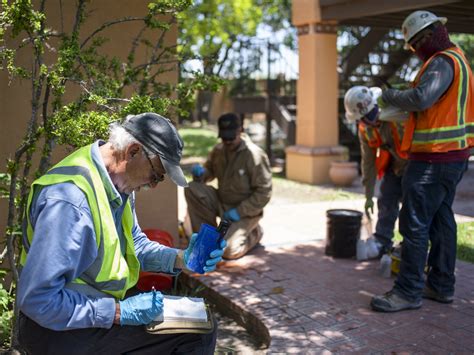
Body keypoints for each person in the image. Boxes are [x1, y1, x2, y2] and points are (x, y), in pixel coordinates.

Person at [17, 112, 226, 354]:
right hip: (55, 328)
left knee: (201, 322)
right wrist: (119, 312)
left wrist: (181, 258)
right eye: (156, 173)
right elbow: (38, 300)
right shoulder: (70, 202)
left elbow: (134, 244)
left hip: (88, 307)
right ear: (133, 152)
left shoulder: (115, 181)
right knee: (195, 337)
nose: (155, 184)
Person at [370, 10, 473, 312]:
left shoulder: (443, 61)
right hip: (450, 157)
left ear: (427, 37)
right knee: (441, 223)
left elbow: (422, 98)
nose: (415, 53)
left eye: (415, 46)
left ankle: (407, 292)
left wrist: (389, 96)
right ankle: (441, 286)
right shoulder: (459, 60)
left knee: (414, 226)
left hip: (433, 160)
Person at [184, 113, 272, 260]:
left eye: (231, 137)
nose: (228, 141)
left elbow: (264, 192)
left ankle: (255, 232)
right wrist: (200, 173)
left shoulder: (255, 155)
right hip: (222, 202)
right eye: (224, 137)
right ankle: (207, 239)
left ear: (240, 131)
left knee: (228, 251)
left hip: (244, 211)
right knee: (192, 188)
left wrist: (239, 211)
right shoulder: (218, 151)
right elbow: (209, 173)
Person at [344, 86, 408, 258]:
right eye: (362, 119)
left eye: (370, 116)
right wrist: (367, 196)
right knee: (386, 200)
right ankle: (382, 241)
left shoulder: (397, 113)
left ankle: (411, 245)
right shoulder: (365, 130)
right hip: (395, 166)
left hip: (416, 164)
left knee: (412, 208)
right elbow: (368, 163)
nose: (369, 122)